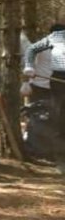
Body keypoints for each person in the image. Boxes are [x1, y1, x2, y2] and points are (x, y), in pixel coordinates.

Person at [24, 22, 65, 174]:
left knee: (56, 121)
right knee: (38, 119)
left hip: (58, 88)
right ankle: (37, 150)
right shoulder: (42, 46)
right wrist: (27, 81)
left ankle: (52, 152)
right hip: (40, 87)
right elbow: (29, 60)